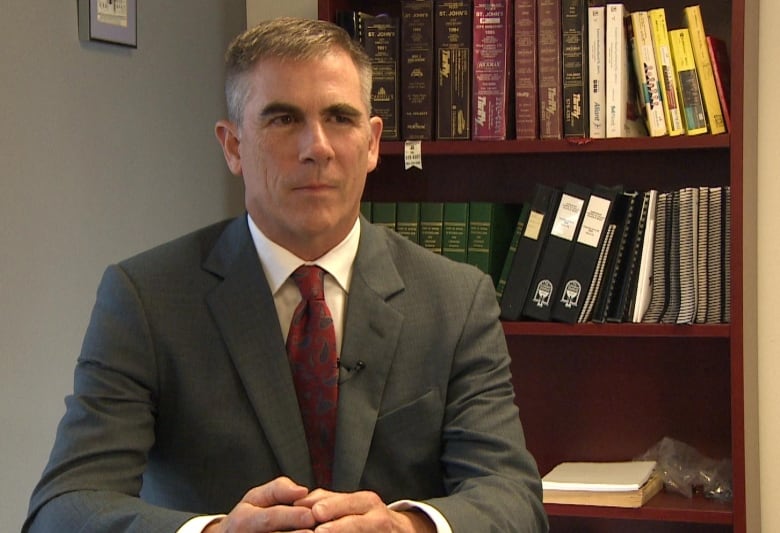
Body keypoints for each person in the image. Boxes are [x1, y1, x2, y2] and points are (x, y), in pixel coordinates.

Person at [24, 17, 548, 533]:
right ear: (232, 146)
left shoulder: (455, 300)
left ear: (371, 144)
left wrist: (407, 528)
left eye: (340, 118)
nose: (316, 147)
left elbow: (513, 501)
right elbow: (63, 509)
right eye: (283, 119)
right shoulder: (146, 300)